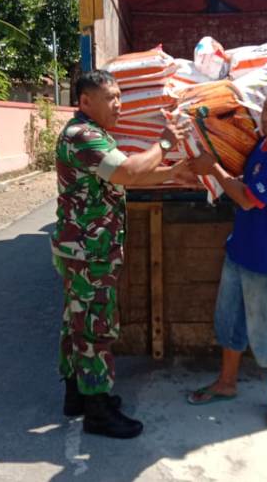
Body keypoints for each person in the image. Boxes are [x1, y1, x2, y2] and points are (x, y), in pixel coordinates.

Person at [52, 69, 192, 439]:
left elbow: (126, 176)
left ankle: (77, 396)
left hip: (85, 249)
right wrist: (163, 145)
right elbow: (129, 171)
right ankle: (97, 410)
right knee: (95, 326)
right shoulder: (82, 136)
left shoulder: (95, 135)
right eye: (110, 97)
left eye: (119, 96)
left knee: (76, 323)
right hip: (88, 253)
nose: (119, 104)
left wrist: (175, 171)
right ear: (85, 102)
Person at [187, 77, 267, 429]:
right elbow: (240, 176)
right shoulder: (263, 144)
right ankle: (226, 383)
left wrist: (212, 167)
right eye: (266, 109)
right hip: (239, 250)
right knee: (230, 322)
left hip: (266, 260)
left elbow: (246, 198)